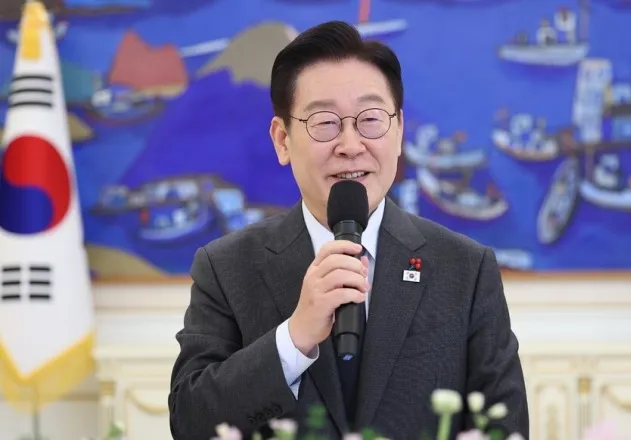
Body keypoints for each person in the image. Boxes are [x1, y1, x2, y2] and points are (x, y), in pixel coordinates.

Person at [168, 20, 529, 440]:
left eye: (370, 119)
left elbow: (505, 428)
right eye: (325, 122)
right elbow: (190, 423)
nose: (351, 145)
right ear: (282, 140)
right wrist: (294, 338)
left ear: (399, 132)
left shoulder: (465, 268)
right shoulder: (226, 267)